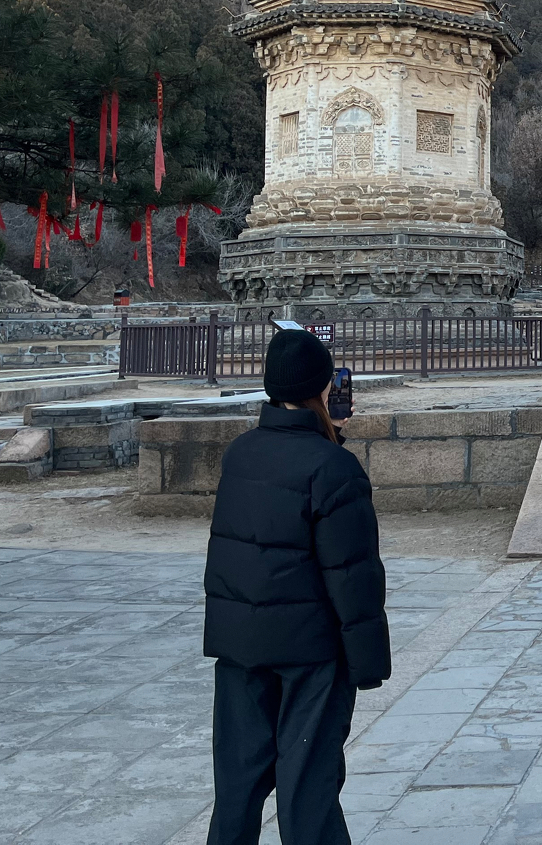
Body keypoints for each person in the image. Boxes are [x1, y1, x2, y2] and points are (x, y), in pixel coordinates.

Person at [203, 328, 390, 845]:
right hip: (310, 652)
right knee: (307, 791)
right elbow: (352, 576)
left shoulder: (240, 454)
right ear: (322, 388)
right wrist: (367, 665)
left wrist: (330, 437)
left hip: (240, 644)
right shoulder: (334, 467)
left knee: (237, 787)